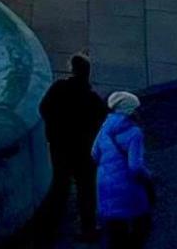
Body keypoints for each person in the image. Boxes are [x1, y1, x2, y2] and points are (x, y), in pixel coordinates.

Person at [41, 56, 108, 234]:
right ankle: (88, 228)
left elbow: (44, 108)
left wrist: (53, 131)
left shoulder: (59, 88)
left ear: (72, 69)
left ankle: (51, 227)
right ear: (88, 73)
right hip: (84, 152)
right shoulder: (93, 99)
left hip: (60, 147)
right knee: (86, 189)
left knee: (59, 186)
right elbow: (102, 124)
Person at [91, 91, 152, 249]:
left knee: (114, 233)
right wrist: (148, 175)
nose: (139, 110)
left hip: (104, 185)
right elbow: (135, 167)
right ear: (130, 110)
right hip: (127, 186)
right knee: (141, 226)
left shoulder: (105, 127)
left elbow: (94, 153)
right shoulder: (135, 133)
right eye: (137, 108)